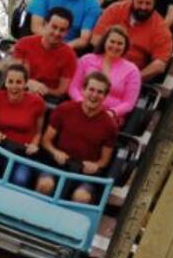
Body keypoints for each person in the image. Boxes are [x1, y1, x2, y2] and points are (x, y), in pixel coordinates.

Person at [37, 71, 121, 203]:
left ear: (105, 96)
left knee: (81, 197)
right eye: (91, 90)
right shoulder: (64, 109)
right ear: (83, 90)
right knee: (45, 185)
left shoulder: (110, 126)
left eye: (99, 92)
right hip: (56, 165)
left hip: (84, 174)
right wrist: (55, 152)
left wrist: (95, 165)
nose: (94, 95)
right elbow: (46, 141)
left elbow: (104, 160)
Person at [0, 63, 45, 188]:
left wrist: (34, 144)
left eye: (19, 82)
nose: (14, 86)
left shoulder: (37, 103)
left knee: (20, 179)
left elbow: (39, 132)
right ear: (5, 83)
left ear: (25, 84)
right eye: (10, 81)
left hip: (22, 153)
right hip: (0, 148)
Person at [91, 0, 173, 82]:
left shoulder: (161, 28)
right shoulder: (115, 10)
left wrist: (134, 78)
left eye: (148, 4)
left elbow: (159, 65)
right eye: (139, 2)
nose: (143, 7)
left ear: (154, 4)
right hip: (101, 65)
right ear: (132, 0)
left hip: (129, 76)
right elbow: (95, 38)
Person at [67, 24, 142, 118]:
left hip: (109, 116)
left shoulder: (132, 70)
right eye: (112, 41)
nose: (115, 46)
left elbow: (128, 103)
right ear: (105, 42)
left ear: (125, 46)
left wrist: (111, 113)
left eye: (119, 43)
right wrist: (84, 104)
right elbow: (73, 88)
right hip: (80, 109)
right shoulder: (86, 59)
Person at [10, 8, 78, 96]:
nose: (57, 33)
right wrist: (28, 83)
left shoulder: (69, 55)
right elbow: (12, 74)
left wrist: (42, 90)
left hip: (48, 99)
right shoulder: (24, 44)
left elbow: (61, 91)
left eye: (62, 30)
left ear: (67, 32)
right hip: (19, 91)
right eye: (54, 27)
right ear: (45, 24)